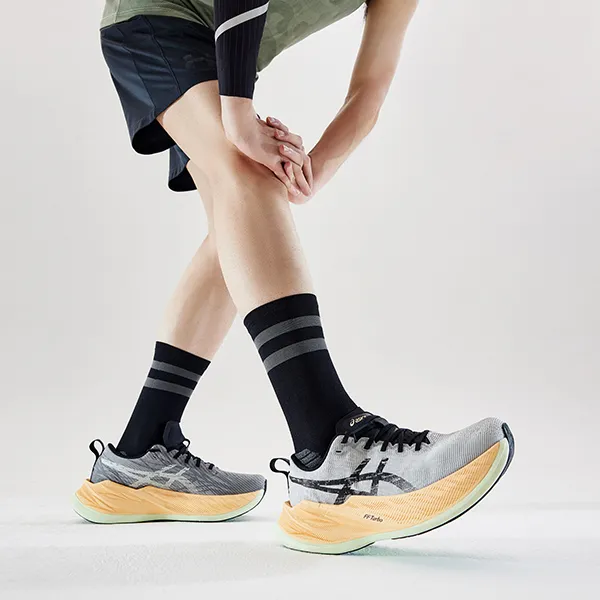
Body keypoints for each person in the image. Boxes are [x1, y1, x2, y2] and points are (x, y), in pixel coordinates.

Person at [74, 0, 514, 554]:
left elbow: (368, 92)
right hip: (159, 17)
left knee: (238, 230)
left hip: (219, 51)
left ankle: (139, 455)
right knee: (247, 179)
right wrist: (238, 112)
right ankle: (328, 447)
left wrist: (311, 171)